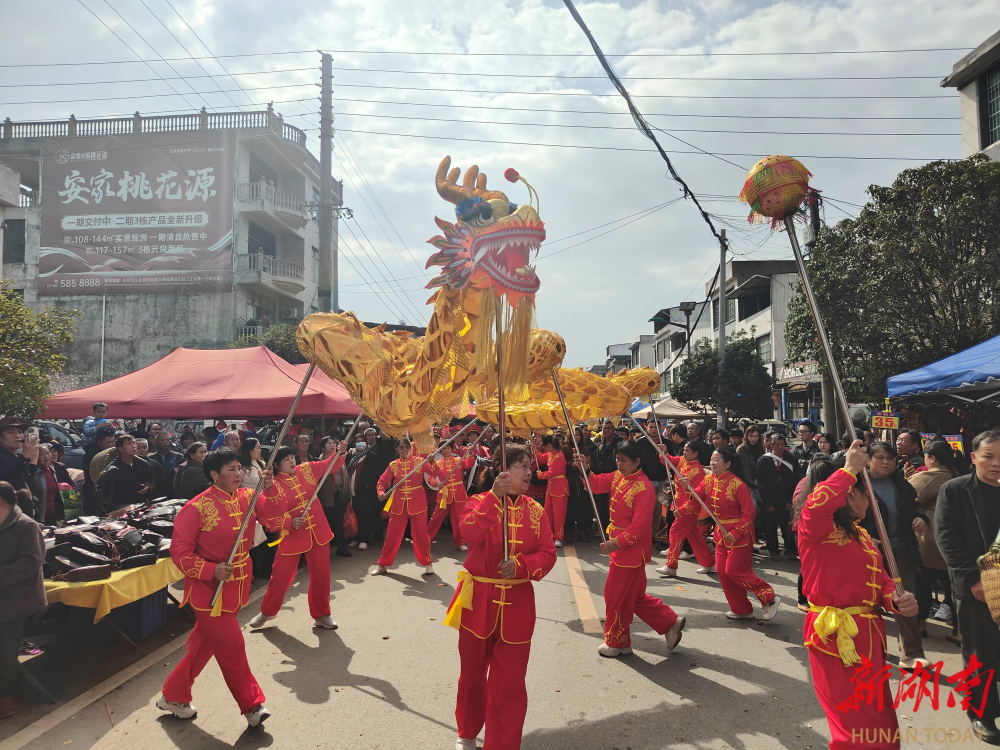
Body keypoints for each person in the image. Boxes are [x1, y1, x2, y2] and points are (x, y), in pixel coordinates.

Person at [795, 444, 919, 750]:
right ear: (851, 494)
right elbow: (814, 508)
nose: (871, 503)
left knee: (881, 723)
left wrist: (896, 600)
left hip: (870, 638)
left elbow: (881, 582)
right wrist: (848, 471)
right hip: (835, 637)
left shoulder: (861, 536)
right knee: (854, 726)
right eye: (868, 495)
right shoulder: (817, 533)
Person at [444, 443, 556, 750]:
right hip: (478, 598)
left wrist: (521, 566)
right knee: (472, 676)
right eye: (522, 465)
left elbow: (547, 554)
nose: (530, 471)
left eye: (530, 465)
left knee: (509, 685)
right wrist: (494, 498)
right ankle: (467, 732)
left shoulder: (536, 511)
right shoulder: (479, 501)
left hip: (518, 606)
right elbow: (467, 533)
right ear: (501, 470)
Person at [157, 448, 279, 727]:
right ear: (214, 475)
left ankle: (172, 695)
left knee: (206, 645)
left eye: (239, 468)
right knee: (232, 645)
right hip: (207, 591)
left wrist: (270, 488)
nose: (238, 474)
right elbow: (180, 552)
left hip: (237, 586)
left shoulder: (249, 497)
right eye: (231, 470)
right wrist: (211, 569)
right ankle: (252, 706)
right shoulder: (196, 507)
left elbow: (272, 520)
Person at [575, 440, 686, 656]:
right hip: (620, 547)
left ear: (637, 461)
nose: (619, 464)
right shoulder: (618, 476)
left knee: (614, 595)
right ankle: (669, 621)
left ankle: (618, 642)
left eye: (623, 460)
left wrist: (614, 544)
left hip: (629, 550)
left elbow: (640, 527)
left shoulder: (643, 487)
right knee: (633, 596)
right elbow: (597, 483)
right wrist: (585, 469)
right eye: (617, 459)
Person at [937, 430, 1000, 743]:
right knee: (980, 654)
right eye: (989, 456)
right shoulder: (955, 490)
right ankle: (982, 715)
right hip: (976, 589)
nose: (996, 463)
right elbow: (946, 537)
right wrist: (972, 580)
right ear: (973, 457)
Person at [251, 443, 346, 630]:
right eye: (285, 459)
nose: (291, 460)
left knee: (321, 576)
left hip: (318, 530)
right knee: (280, 576)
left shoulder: (307, 469)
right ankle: (268, 611)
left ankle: (322, 614)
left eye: (292, 457)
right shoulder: (272, 485)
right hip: (292, 535)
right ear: (276, 466)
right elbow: (266, 515)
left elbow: (330, 464)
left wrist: (339, 453)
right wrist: (289, 523)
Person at [866, 441, 929, 671]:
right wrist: (862, 537)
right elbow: (844, 519)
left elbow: (916, 507)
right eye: (880, 458)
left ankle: (911, 653)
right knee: (869, 601)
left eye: (890, 459)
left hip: (901, 550)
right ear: (869, 460)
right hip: (869, 554)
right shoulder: (857, 485)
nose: (886, 463)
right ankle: (872, 649)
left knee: (905, 600)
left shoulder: (901, 484)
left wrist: (922, 519)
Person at [705, 445, 779, 622]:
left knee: (734, 571)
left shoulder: (738, 485)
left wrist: (737, 532)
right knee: (723, 572)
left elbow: (749, 513)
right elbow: (696, 494)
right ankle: (742, 609)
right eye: (711, 459)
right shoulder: (709, 480)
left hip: (739, 535)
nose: (712, 463)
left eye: (716, 460)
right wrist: (686, 487)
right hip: (720, 534)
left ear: (728, 464)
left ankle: (769, 598)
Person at [0, 481, 46, 720]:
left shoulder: (25, 525)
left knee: (3, 647)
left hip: (21, 599)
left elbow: (30, 563)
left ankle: (5, 698)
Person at [909, 437, 958, 641]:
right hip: (954, 543)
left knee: (921, 585)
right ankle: (959, 631)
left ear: (933, 458)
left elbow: (906, 494)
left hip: (929, 540)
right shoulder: (959, 476)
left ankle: (920, 625)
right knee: (954, 591)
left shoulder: (929, 477)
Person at [373, 439, 434, 576]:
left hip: (417, 502)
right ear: (397, 449)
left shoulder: (420, 461)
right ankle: (383, 564)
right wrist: (381, 492)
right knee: (392, 535)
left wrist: (431, 462)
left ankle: (428, 563)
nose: (405, 449)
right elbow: (382, 481)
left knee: (421, 534)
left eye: (407, 447)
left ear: (411, 448)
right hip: (399, 503)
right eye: (401, 447)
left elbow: (435, 472)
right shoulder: (393, 465)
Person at [655, 440, 714, 577]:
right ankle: (709, 563)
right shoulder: (682, 460)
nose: (684, 453)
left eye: (687, 451)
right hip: (678, 501)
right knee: (695, 536)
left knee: (675, 531)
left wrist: (683, 507)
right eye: (684, 450)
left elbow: (697, 495)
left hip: (688, 506)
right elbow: (668, 460)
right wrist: (664, 451)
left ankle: (671, 565)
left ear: (696, 453)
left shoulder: (698, 471)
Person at [428, 432, 476, 551]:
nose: (446, 451)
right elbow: (430, 477)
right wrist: (437, 483)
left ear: (451, 449)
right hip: (445, 494)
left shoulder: (458, 460)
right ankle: (426, 539)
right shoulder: (438, 464)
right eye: (443, 449)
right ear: (440, 451)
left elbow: (469, 464)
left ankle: (460, 542)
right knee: (436, 518)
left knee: (459, 518)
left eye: (448, 448)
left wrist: (470, 454)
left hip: (459, 493)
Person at [756, 433, 798, 561]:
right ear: (771, 445)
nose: (780, 447)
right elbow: (760, 483)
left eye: (782, 445)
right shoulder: (764, 460)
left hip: (786, 500)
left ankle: (790, 549)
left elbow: (796, 481)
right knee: (770, 527)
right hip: (770, 500)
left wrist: (790, 500)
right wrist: (767, 503)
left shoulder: (792, 459)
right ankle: (773, 551)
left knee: (788, 526)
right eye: (777, 445)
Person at [96, 434, 155, 513]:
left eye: (134, 443)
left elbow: (150, 479)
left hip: (141, 504)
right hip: (120, 507)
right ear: (120, 448)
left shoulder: (143, 463)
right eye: (129, 444)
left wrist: (148, 487)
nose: (134, 446)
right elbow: (103, 490)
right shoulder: (113, 467)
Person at [347, 428, 384, 550]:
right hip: (352, 492)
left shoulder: (372, 457)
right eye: (357, 441)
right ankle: (355, 538)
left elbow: (378, 474)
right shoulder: (351, 456)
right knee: (355, 516)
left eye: (362, 441)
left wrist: (370, 485)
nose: (360, 443)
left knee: (365, 516)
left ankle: (364, 539)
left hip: (366, 493)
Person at [316, 436, 352, 558]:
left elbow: (346, 477)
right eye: (329, 443)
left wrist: (349, 494)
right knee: (330, 523)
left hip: (341, 494)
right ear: (323, 447)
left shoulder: (339, 458)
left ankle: (340, 547)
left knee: (339, 522)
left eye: (333, 443)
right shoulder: (320, 461)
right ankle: (329, 548)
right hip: (327, 497)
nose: (332, 445)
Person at [536, 435, 569, 548]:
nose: (544, 449)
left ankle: (558, 537)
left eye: (544, 446)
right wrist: (534, 450)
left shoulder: (559, 456)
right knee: (548, 511)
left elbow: (553, 472)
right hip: (551, 487)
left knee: (559, 514)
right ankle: (549, 534)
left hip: (559, 487)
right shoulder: (551, 454)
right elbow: (541, 458)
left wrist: (540, 475)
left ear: (549, 445)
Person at [81, 429, 114, 514]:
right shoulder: (90, 455)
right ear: (99, 442)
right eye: (108, 442)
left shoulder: (114, 454)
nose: (111, 445)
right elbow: (90, 474)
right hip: (92, 491)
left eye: (113, 442)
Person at [29, 444, 63, 525]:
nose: (46, 456)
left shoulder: (52, 470)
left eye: (48, 453)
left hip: (52, 514)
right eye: (42, 455)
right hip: (39, 517)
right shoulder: (32, 473)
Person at [150, 433, 184, 499]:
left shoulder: (179, 457)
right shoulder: (151, 458)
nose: (165, 442)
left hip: (174, 491)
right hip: (155, 492)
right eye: (162, 440)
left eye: (167, 440)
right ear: (156, 443)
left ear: (171, 442)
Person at [737, 424, 765, 488]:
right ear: (746, 436)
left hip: (759, 481)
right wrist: (750, 484)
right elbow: (743, 469)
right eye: (751, 436)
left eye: (756, 436)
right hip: (747, 483)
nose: (753, 439)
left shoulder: (761, 448)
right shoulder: (741, 449)